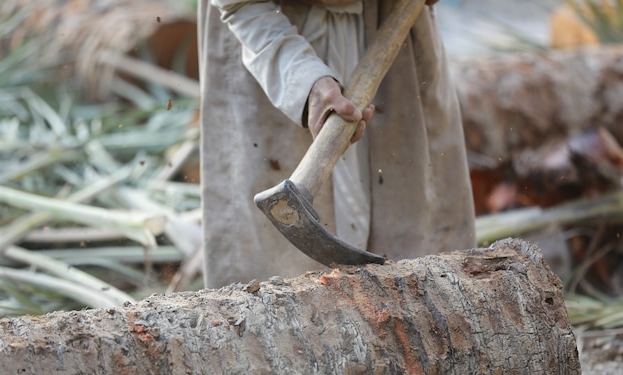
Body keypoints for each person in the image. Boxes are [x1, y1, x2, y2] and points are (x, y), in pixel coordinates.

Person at [198, 0, 476, 288]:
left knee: (421, 266)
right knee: (277, 290)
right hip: (265, 26)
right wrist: (303, 81)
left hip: (395, 20)